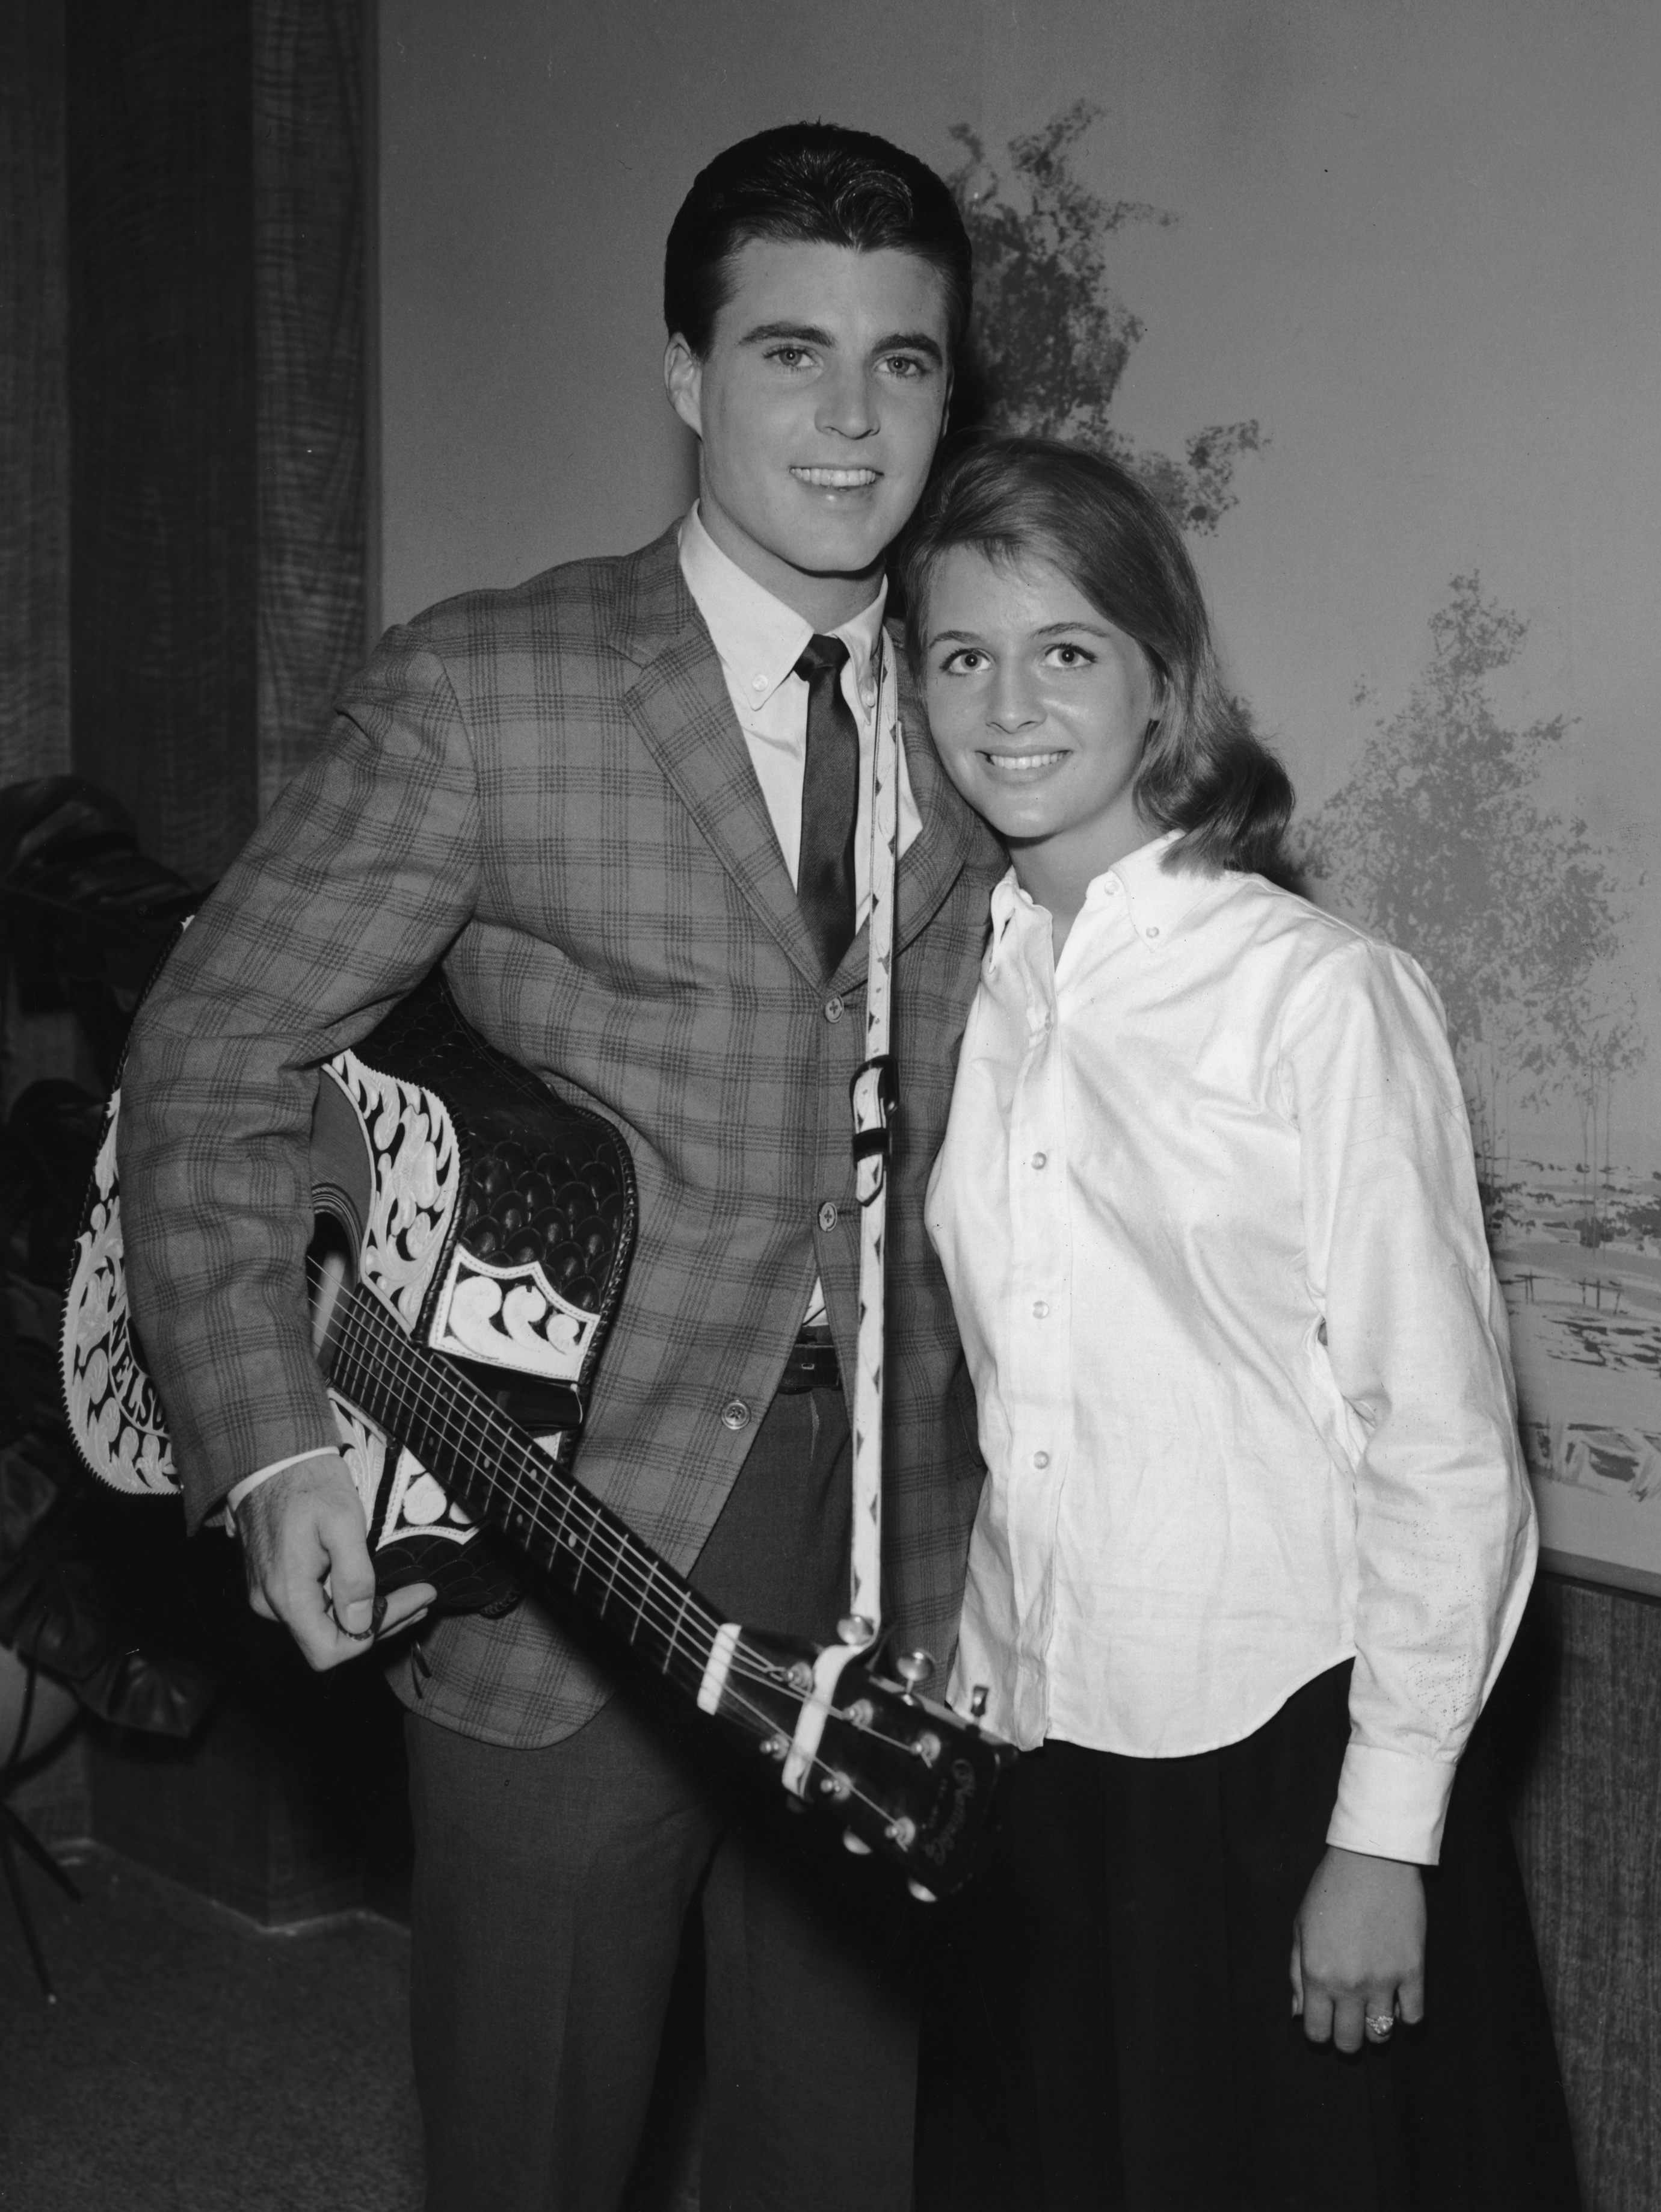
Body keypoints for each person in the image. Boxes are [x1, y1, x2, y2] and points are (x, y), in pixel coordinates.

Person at [117, 125, 1005, 2212]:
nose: (853, 418)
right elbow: (212, 1051)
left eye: (907, 363)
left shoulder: (998, 706)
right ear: (689, 376)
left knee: (844, 2148)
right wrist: (267, 1447)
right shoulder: (486, 684)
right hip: (555, 1532)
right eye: (793, 353)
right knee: (536, 2145)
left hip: (896, 1546)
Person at [905, 437, 1580, 2211]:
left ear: (1159, 683)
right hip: (1031, 1729)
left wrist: (1383, 1835)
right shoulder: (972, 983)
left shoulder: (1321, 996)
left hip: (1273, 1753)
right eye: (960, 655)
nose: (1007, 702)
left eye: (1064, 650)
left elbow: (1441, 1443)